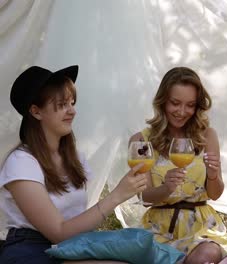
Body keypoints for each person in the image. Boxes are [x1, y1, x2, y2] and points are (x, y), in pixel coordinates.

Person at [0, 65, 147, 264]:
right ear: (36, 111)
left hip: (72, 247)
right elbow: (58, 232)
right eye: (62, 104)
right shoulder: (21, 162)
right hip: (32, 250)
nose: (72, 111)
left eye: (72, 102)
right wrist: (117, 196)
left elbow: (75, 225)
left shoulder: (74, 158)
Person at [129, 67, 227, 264]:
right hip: (159, 226)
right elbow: (144, 197)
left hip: (200, 225)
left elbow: (215, 193)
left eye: (190, 105)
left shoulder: (207, 136)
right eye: (175, 103)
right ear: (163, 102)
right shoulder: (142, 142)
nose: (182, 112)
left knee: (205, 256)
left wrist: (213, 176)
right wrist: (166, 188)